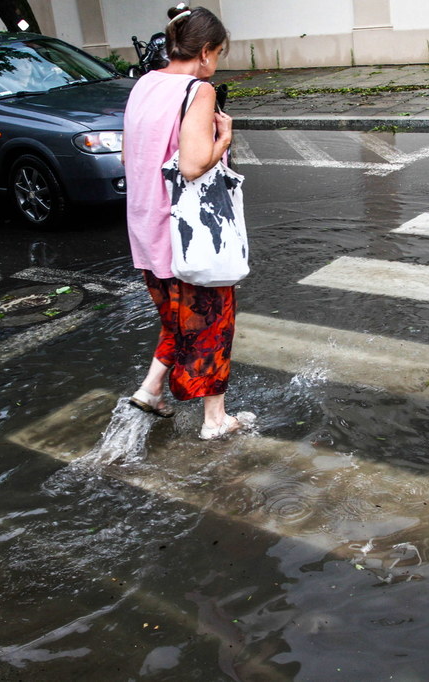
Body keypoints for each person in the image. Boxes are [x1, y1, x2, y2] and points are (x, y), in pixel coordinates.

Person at [122, 4, 254, 440]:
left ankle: (150, 390)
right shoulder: (198, 90)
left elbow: (131, 155)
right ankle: (216, 421)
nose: (215, 64)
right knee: (213, 322)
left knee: (177, 320)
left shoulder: (144, 84)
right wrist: (225, 139)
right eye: (217, 53)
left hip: (147, 232)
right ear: (205, 53)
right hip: (189, 235)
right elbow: (194, 165)